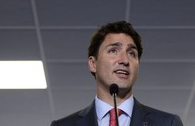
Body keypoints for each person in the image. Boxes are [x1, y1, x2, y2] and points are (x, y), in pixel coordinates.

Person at [50, 21, 183, 126]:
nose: (124, 60)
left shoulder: (168, 123)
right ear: (93, 63)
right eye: (113, 51)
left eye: (132, 53)